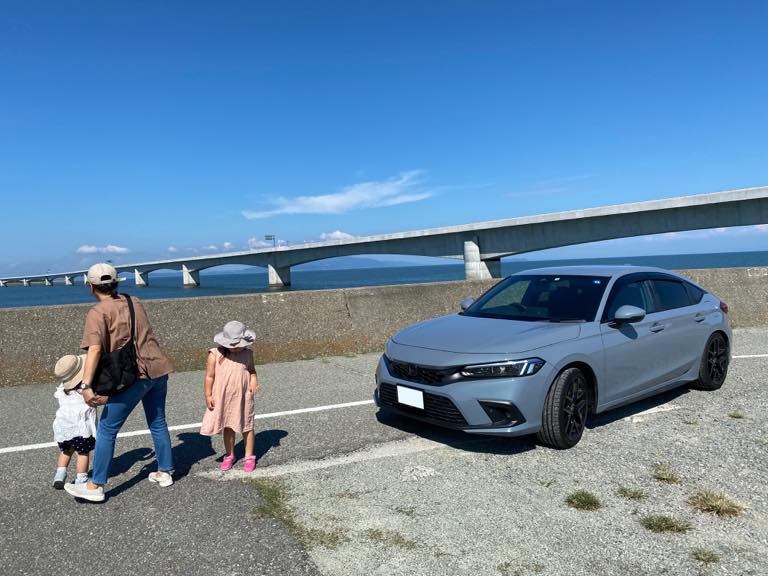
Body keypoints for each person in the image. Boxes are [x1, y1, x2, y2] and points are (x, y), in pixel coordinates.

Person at [64, 262, 174, 502]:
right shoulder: (134, 301)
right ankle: (165, 471)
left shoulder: (97, 312)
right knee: (157, 422)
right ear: (115, 283)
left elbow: (94, 351)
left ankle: (95, 485)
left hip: (132, 376)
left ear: (91, 286)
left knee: (107, 429)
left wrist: (86, 385)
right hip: (157, 367)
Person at [200, 320, 260, 472]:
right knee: (228, 426)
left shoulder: (247, 354)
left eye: (238, 344)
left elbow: (252, 370)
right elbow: (209, 376)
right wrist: (208, 395)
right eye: (232, 345)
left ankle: (249, 456)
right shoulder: (215, 354)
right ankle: (230, 454)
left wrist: (253, 380)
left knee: (247, 425)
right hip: (223, 397)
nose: (235, 348)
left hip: (244, 396)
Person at [52, 354, 97, 489]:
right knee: (83, 454)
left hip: (64, 428)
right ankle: (81, 478)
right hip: (80, 429)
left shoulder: (61, 390)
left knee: (66, 451)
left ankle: (60, 474)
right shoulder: (85, 391)